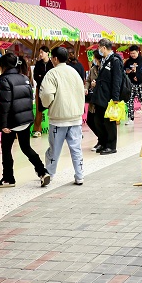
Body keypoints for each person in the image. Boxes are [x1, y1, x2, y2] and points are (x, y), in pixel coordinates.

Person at [0, 52, 51, 188]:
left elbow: (4, 104)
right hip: (26, 120)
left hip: (11, 122)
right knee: (26, 147)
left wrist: (3, 124)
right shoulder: (24, 78)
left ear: (3, 66)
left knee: (6, 150)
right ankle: (42, 171)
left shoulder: (4, 80)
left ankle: (8, 178)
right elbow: (29, 100)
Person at [41, 47, 87, 183]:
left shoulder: (52, 74)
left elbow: (46, 94)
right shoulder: (74, 72)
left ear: (55, 58)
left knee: (54, 149)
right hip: (76, 118)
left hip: (58, 119)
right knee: (76, 148)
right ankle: (79, 176)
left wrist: (48, 104)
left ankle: (50, 173)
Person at [90, 39, 123, 155]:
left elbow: (117, 80)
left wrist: (115, 98)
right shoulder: (104, 60)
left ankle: (111, 146)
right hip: (100, 95)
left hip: (109, 97)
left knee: (109, 122)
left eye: (99, 47)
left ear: (103, 47)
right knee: (98, 120)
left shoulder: (115, 60)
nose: (98, 50)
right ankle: (103, 142)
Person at [32, 46, 53, 138]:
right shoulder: (38, 64)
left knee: (53, 108)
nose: (40, 54)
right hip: (40, 89)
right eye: (39, 52)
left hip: (51, 89)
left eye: (42, 52)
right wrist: (44, 77)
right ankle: (37, 130)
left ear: (47, 53)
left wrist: (43, 76)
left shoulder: (52, 63)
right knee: (39, 109)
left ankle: (54, 129)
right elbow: (36, 76)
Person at [124, 45, 142, 125]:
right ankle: (130, 118)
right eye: (131, 53)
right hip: (130, 84)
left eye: (134, 53)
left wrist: (138, 74)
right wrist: (127, 71)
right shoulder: (128, 61)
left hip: (140, 83)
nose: (132, 55)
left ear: (138, 52)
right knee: (130, 101)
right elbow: (124, 70)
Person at [85, 54, 101, 150]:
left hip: (101, 99)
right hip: (93, 99)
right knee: (90, 120)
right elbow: (88, 80)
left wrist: (97, 84)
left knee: (99, 121)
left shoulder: (104, 68)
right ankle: (101, 138)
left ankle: (102, 141)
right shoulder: (93, 69)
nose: (93, 59)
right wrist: (86, 88)